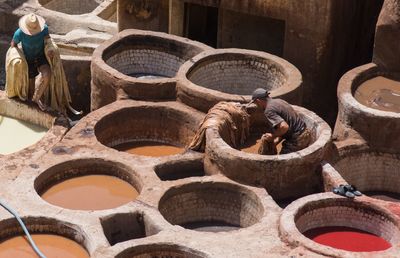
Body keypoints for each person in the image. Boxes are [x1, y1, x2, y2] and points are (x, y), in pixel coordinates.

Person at [10, 13, 54, 111]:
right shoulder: (19, 33)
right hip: (28, 59)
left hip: (40, 56)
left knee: (47, 74)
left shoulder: (44, 29)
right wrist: (18, 58)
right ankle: (32, 103)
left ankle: (37, 98)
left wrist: (50, 49)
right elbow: (13, 44)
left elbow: (48, 39)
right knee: (30, 83)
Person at [249, 88, 312, 154]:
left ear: (258, 101)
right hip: (305, 133)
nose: (257, 106)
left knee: (282, 160)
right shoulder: (279, 101)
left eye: (256, 103)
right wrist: (276, 141)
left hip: (299, 138)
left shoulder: (269, 110)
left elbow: (284, 127)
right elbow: (286, 127)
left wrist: (272, 136)